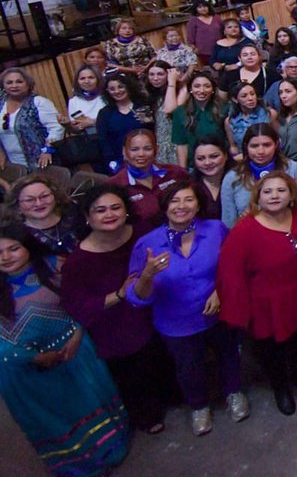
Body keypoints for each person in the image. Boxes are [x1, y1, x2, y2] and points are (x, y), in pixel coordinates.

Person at [0, 222, 131, 475]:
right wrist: (33, 357)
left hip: (73, 351)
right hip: (24, 371)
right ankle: (77, 466)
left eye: (13, 248)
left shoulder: (57, 266)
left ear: (28, 247)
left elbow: (82, 303)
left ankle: (109, 451)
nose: (5, 257)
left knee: (88, 402)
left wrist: (77, 333)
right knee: (52, 420)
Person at [127, 181, 246, 434]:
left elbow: (233, 266)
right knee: (188, 368)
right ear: (164, 206)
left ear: (198, 205)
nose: (181, 206)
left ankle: (234, 392)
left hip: (220, 313)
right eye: (174, 201)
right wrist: (147, 275)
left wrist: (220, 291)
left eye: (188, 200)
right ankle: (199, 406)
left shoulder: (216, 230)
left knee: (229, 355)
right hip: (177, 323)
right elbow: (137, 297)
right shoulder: (147, 244)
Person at [59, 185, 174, 435]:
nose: (109, 214)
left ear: (126, 211)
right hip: (114, 320)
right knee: (132, 373)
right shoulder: (79, 261)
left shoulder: (142, 232)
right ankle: (145, 414)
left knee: (163, 354)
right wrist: (120, 294)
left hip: (153, 305)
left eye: (115, 208)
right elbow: (77, 305)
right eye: (100, 210)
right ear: (88, 217)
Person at [218, 172, 297, 416]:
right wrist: (238, 309)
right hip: (266, 303)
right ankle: (281, 388)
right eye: (267, 191)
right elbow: (230, 272)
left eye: (281, 190)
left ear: (291, 195)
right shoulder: (245, 230)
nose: (274, 196)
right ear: (258, 197)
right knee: (272, 349)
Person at [219, 124, 297, 228]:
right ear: (246, 147)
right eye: (254, 146)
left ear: (276, 144)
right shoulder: (232, 177)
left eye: (267, 145)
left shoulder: (294, 169)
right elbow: (228, 222)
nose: (260, 151)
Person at [107, 129, 192, 223]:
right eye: (134, 149)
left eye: (147, 149)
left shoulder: (176, 173)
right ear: (124, 151)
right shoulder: (114, 184)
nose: (141, 154)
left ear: (157, 149)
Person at [5, 174, 87, 255]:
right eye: (29, 200)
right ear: (17, 204)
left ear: (55, 196)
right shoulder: (13, 233)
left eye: (44, 196)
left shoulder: (75, 213)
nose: (39, 203)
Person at [0, 67, 64, 170]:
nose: (14, 85)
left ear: (28, 84)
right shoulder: (1, 105)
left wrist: (47, 150)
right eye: (9, 82)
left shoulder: (39, 102)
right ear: (3, 85)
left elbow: (56, 128)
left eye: (19, 82)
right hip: (13, 165)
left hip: (41, 162)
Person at [171, 70, 226, 167]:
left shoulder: (225, 109)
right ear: (190, 89)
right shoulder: (180, 112)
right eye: (197, 86)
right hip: (194, 165)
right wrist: (183, 171)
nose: (202, 90)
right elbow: (181, 145)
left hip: (220, 164)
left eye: (207, 86)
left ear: (213, 89)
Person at [185, 0, 222, 65]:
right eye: (200, 7)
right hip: (204, 51)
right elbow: (190, 37)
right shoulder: (193, 20)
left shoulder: (216, 17)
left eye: (205, 6)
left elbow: (223, 30)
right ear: (196, 9)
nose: (203, 9)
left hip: (220, 48)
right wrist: (194, 49)